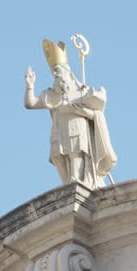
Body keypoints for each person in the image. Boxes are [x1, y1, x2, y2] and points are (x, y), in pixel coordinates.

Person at [24, 39, 116, 189]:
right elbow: (30, 104)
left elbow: (96, 114)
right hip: (59, 131)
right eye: (55, 74)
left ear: (68, 73)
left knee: (75, 152)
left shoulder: (81, 92)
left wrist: (81, 111)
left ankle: (76, 180)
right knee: (58, 156)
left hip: (76, 128)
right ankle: (68, 183)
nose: (57, 76)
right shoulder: (51, 95)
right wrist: (30, 86)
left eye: (59, 72)